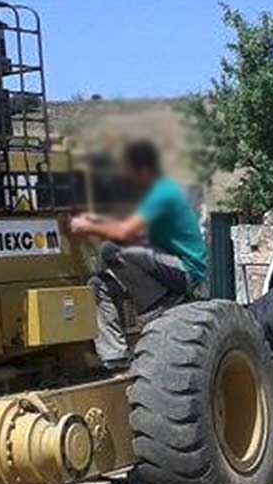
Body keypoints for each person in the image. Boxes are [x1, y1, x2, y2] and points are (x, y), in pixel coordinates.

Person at [67, 140, 207, 369]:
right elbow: (130, 230)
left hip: (185, 272)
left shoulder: (163, 194)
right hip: (165, 264)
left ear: (143, 170)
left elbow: (124, 231)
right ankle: (114, 356)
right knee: (97, 285)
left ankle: (160, 305)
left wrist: (84, 226)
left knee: (111, 249)